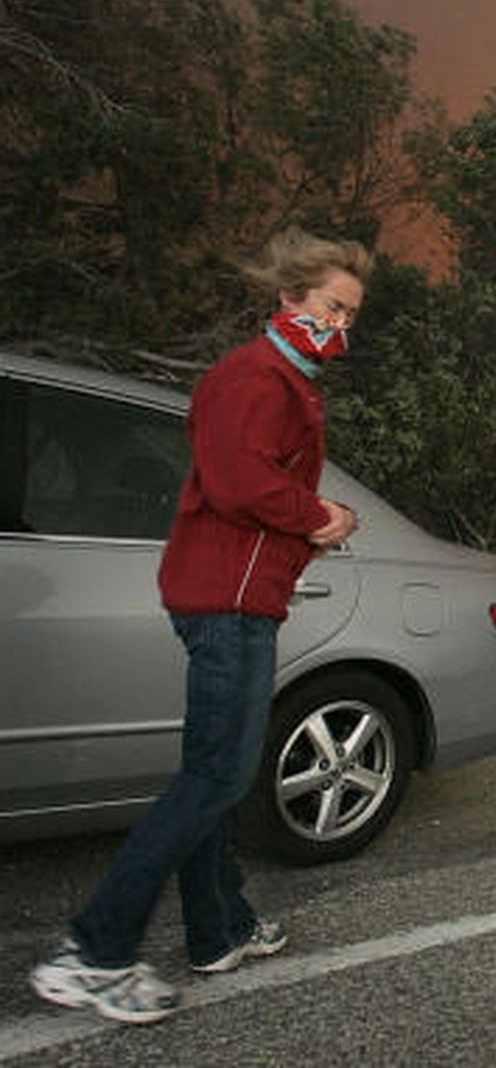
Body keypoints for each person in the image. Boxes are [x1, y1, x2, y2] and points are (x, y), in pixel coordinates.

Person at [29, 228, 371, 1024]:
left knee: (214, 770)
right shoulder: (253, 376)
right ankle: (94, 951)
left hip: (240, 597)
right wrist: (319, 512)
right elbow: (233, 478)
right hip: (226, 600)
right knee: (216, 774)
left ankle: (220, 927)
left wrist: (309, 522)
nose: (340, 329)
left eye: (350, 316)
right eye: (330, 307)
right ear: (289, 297)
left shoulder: (286, 379)